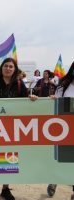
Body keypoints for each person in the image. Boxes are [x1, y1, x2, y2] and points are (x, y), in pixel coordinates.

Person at [0, 57, 37, 200]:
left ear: (15, 69)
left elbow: (25, 102)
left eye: (11, 67)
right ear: (2, 68)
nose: (8, 69)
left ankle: (5, 188)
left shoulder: (19, 84)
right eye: (6, 66)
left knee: (8, 156)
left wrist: (32, 99)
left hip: (11, 127)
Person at [47, 61, 74, 200]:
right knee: (63, 159)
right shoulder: (63, 87)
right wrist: (52, 100)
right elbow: (55, 105)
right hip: (64, 129)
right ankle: (54, 180)